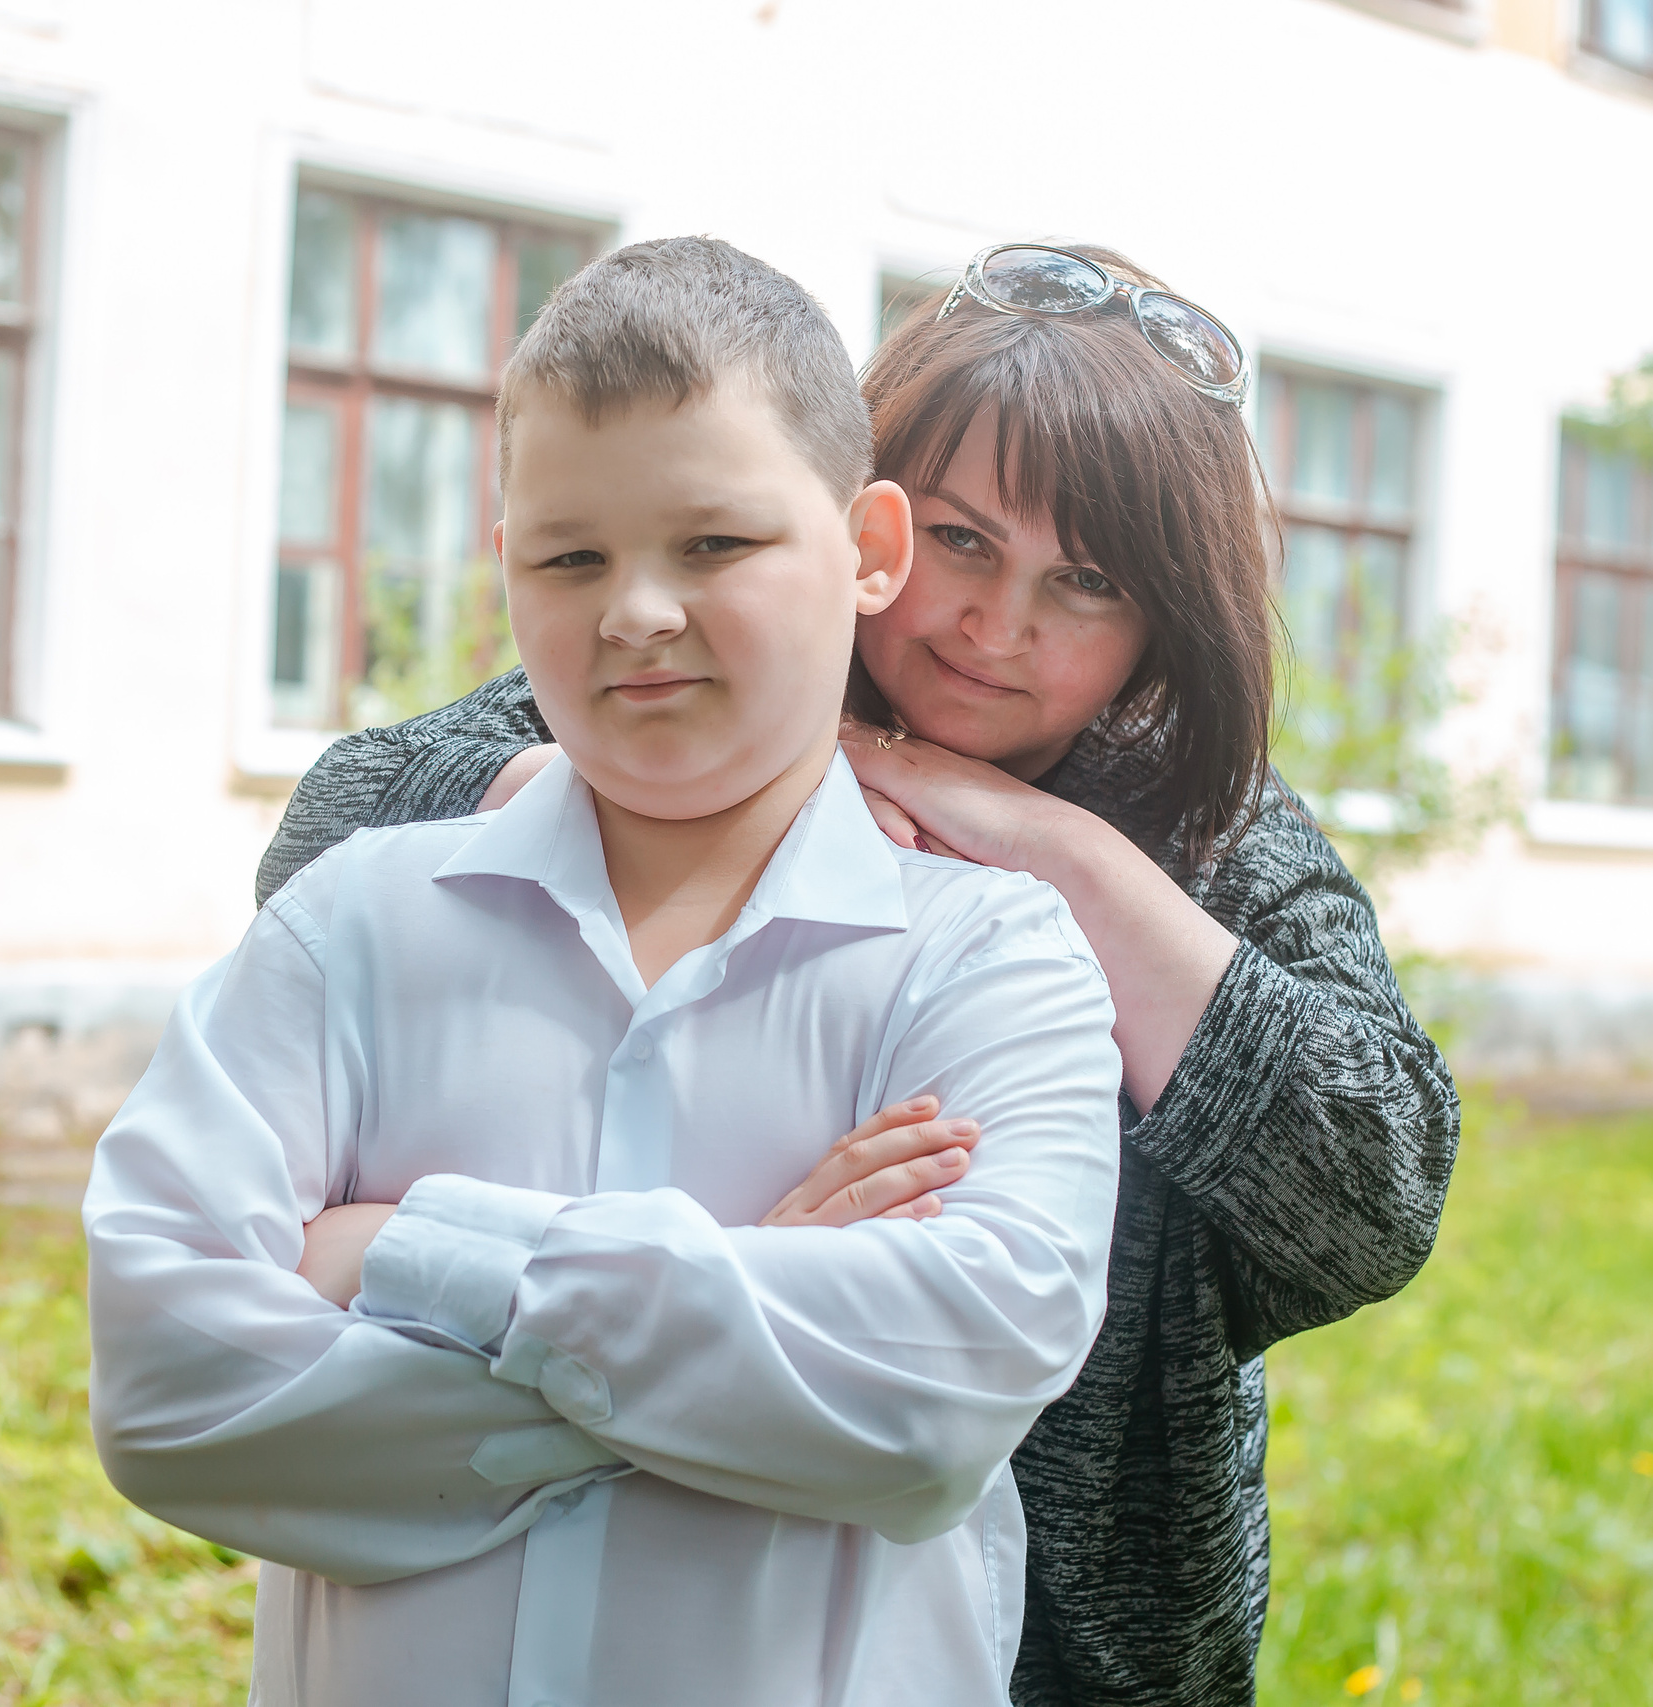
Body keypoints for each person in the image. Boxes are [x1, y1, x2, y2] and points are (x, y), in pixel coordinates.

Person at [255, 243, 1463, 1706]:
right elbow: (335, 836)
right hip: (648, 1599)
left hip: (1072, 1656)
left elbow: (1375, 1192)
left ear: (1162, 621)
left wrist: (1053, 850)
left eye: (1083, 584)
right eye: (961, 542)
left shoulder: (1214, 835)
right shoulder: (690, 687)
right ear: (865, 523)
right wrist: (721, 780)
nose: (993, 627)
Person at [85, 237, 1127, 1707]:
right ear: (505, 561)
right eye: (571, 556)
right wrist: (755, 1298)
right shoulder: (352, 930)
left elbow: (942, 1402)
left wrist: (411, 1257)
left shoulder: (989, 963)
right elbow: (170, 1393)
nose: (635, 611)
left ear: (870, 549)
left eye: (713, 545)